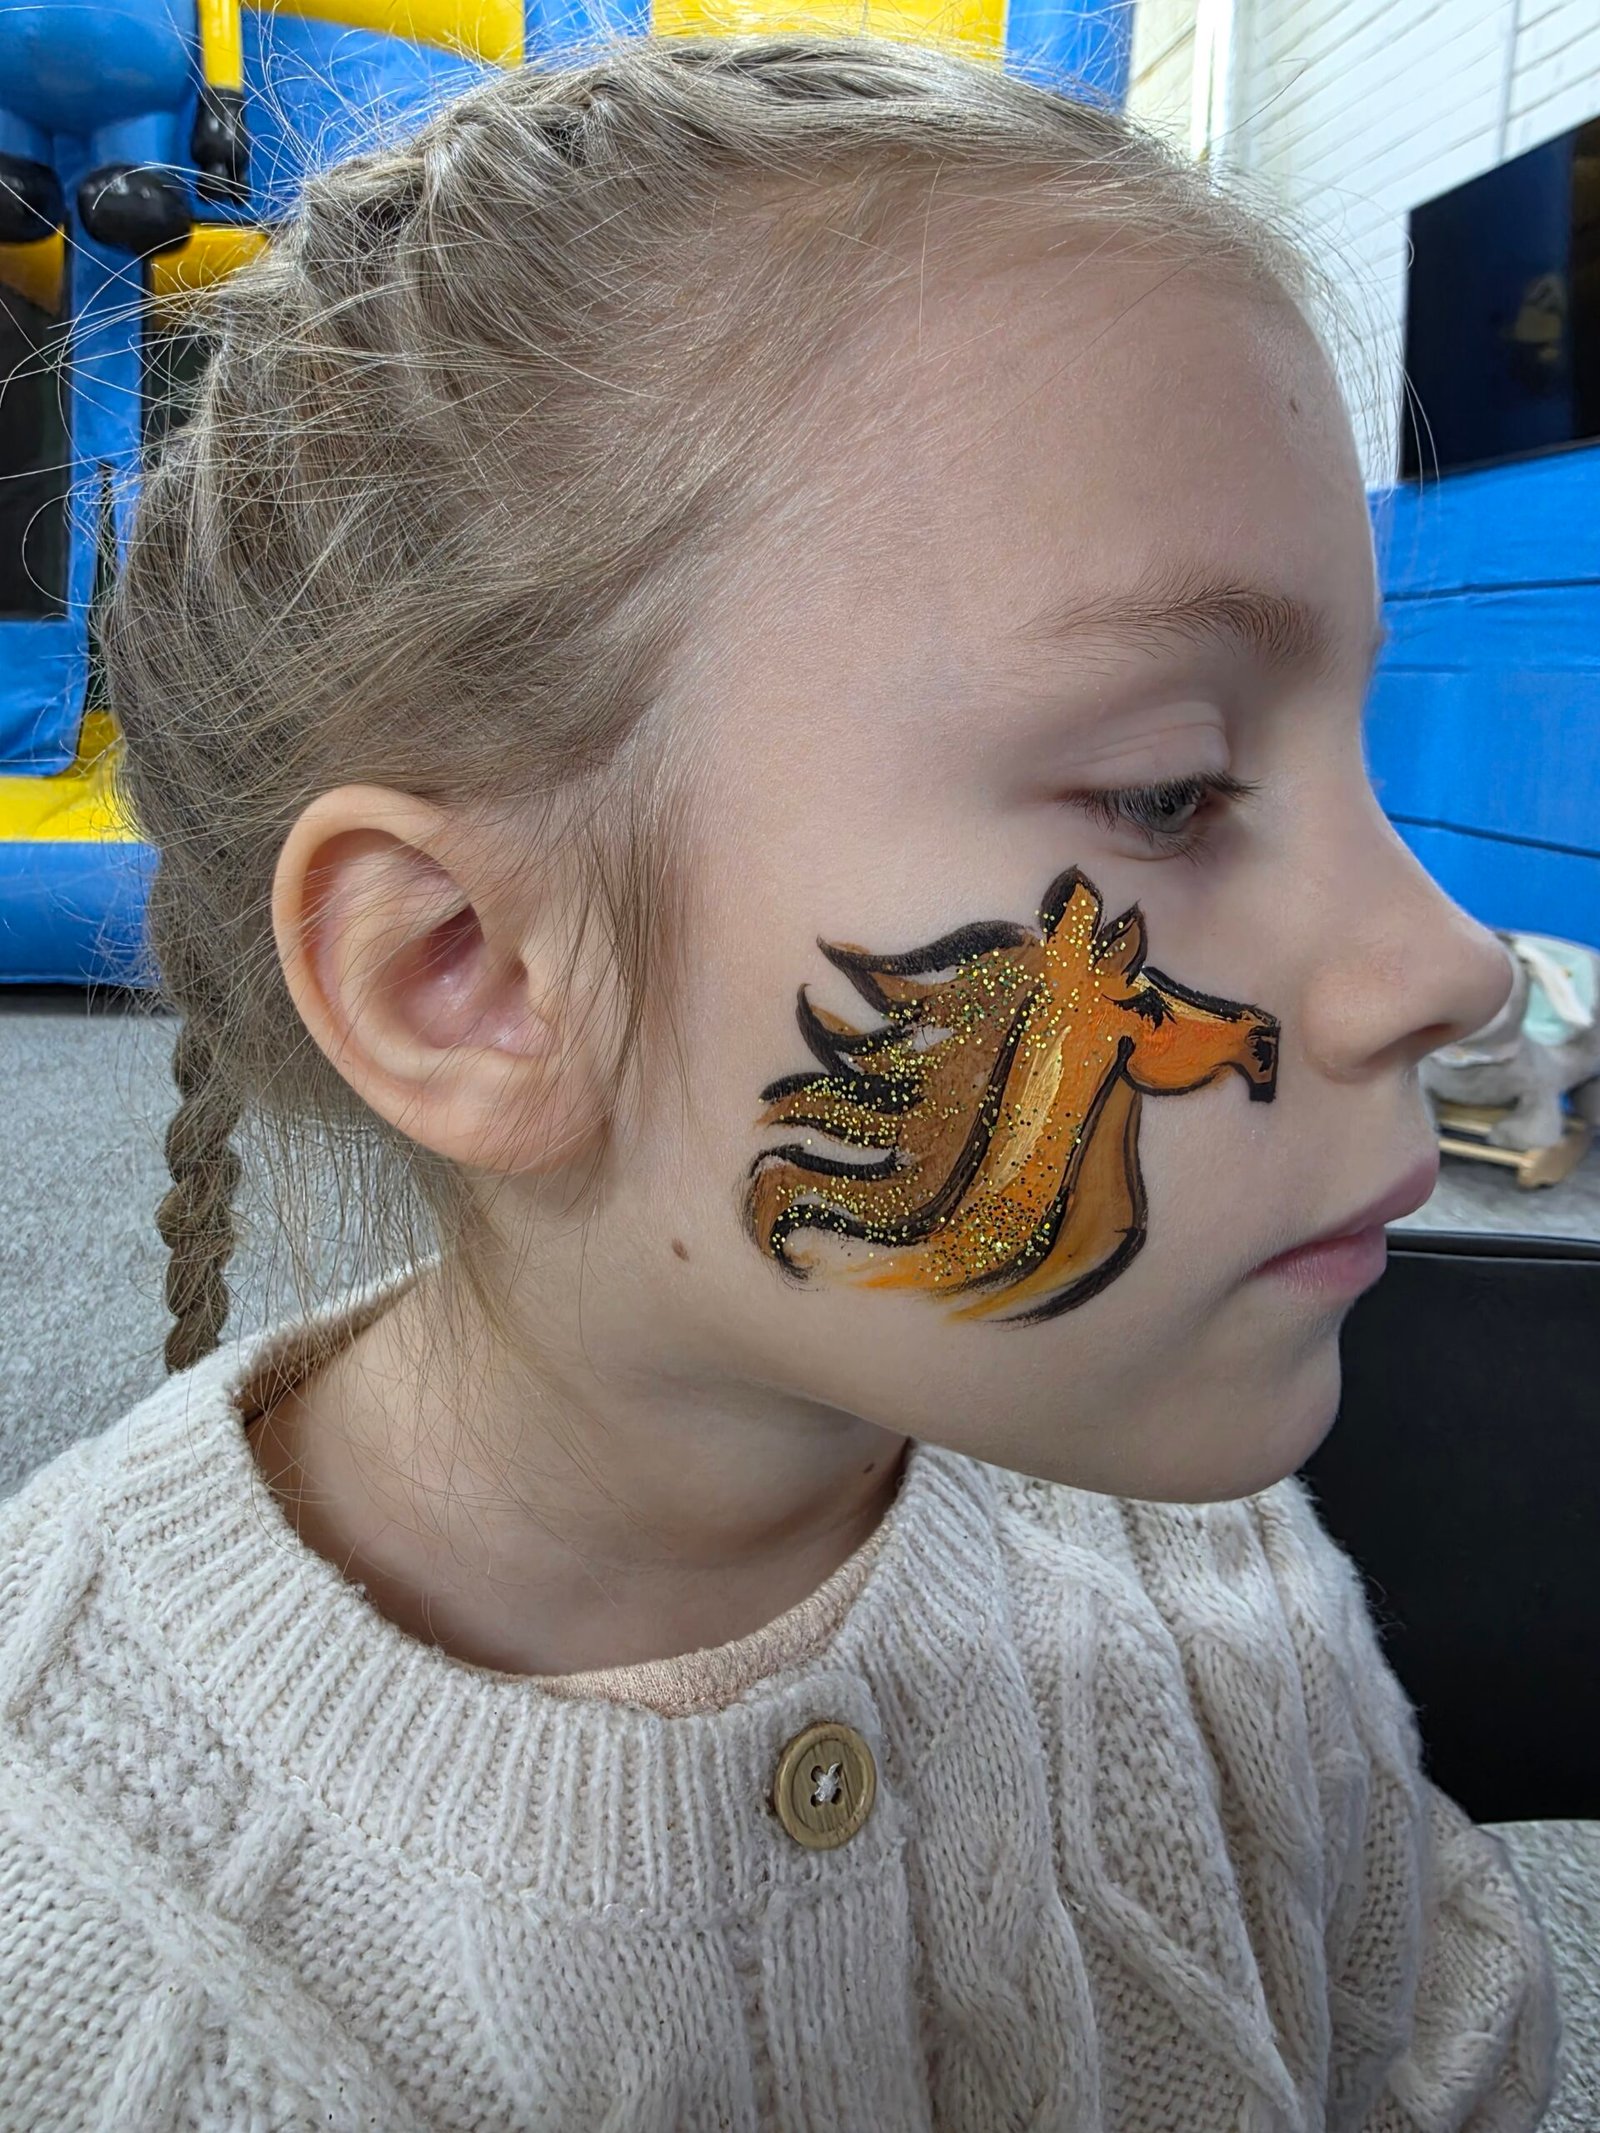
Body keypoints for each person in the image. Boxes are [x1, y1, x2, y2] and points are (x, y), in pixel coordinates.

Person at [0, 31, 1561, 2130]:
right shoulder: (68, 1954)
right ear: (473, 975)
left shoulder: (1227, 1599)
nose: (1454, 963)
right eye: (1170, 788)